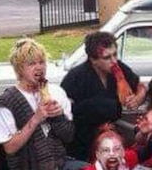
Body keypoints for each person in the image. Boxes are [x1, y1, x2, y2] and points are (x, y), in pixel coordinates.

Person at [0, 38, 85, 170]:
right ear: (19, 69)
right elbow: (10, 147)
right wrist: (36, 118)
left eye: (42, 62)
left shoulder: (56, 92)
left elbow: (69, 137)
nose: (39, 67)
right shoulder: (6, 102)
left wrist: (58, 117)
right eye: (31, 64)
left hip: (59, 163)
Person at [60, 31, 147, 161]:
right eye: (107, 58)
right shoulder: (75, 78)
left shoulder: (118, 68)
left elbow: (140, 86)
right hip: (83, 144)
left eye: (115, 55)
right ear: (93, 59)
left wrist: (138, 98)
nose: (113, 61)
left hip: (113, 139)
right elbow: (65, 115)